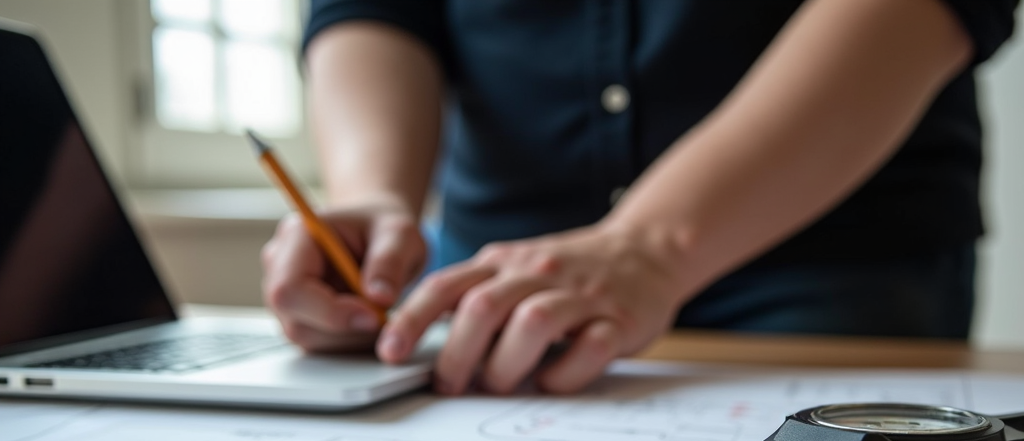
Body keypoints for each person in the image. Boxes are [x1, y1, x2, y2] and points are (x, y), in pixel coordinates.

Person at [260, 0, 1017, 396]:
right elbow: (377, 8)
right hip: (492, 278)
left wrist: (649, 245)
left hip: (821, 255)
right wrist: (372, 199)